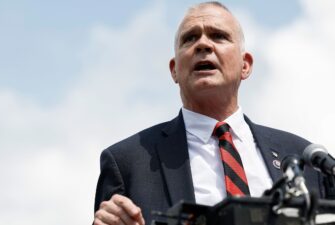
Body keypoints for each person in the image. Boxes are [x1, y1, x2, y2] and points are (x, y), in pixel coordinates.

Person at [93, 2, 325, 225]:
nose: (203, 45)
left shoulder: (306, 159)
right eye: (190, 38)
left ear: (245, 65)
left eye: (218, 36)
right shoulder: (128, 163)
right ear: (174, 70)